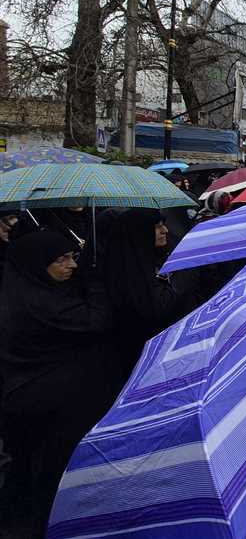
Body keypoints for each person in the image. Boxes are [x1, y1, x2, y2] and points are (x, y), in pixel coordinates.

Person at [0, 232, 120, 534]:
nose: (71, 265)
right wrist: (94, 281)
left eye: (73, 257)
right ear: (38, 264)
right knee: (47, 475)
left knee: (27, 471)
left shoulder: (20, 289)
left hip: (25, 399)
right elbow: (96, 320)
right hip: (47, 404)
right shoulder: (40, 304)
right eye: (61, 260)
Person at [103, 209, 200, 377]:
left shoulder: (157, 255)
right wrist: (185, 272)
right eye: (157, 227)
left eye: (164, 225)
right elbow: (158, 306)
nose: (165, 231)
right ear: (139, 233)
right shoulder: (128, 269)